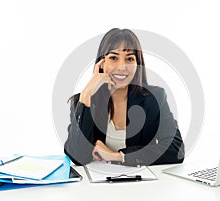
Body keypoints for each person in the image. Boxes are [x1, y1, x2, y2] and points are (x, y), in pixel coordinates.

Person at [64, 28, 185, 166]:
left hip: (141, 183)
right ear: (101, 63)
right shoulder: (83, 101)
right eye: (113, 58)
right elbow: (78, 156)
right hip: (96, 186)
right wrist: (86, 94)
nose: (122, 67)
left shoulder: (154, 98)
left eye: (129, 59)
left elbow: (176, 149)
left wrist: (119, 156)